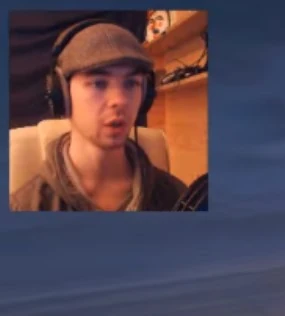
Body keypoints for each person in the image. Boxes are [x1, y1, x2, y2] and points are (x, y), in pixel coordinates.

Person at [10, 21, 185, 211]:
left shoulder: (178, 200)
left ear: (145, 95)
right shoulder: (22, 208)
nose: (119, 100)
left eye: (131, 83)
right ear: (62, 94)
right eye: (98, 83)